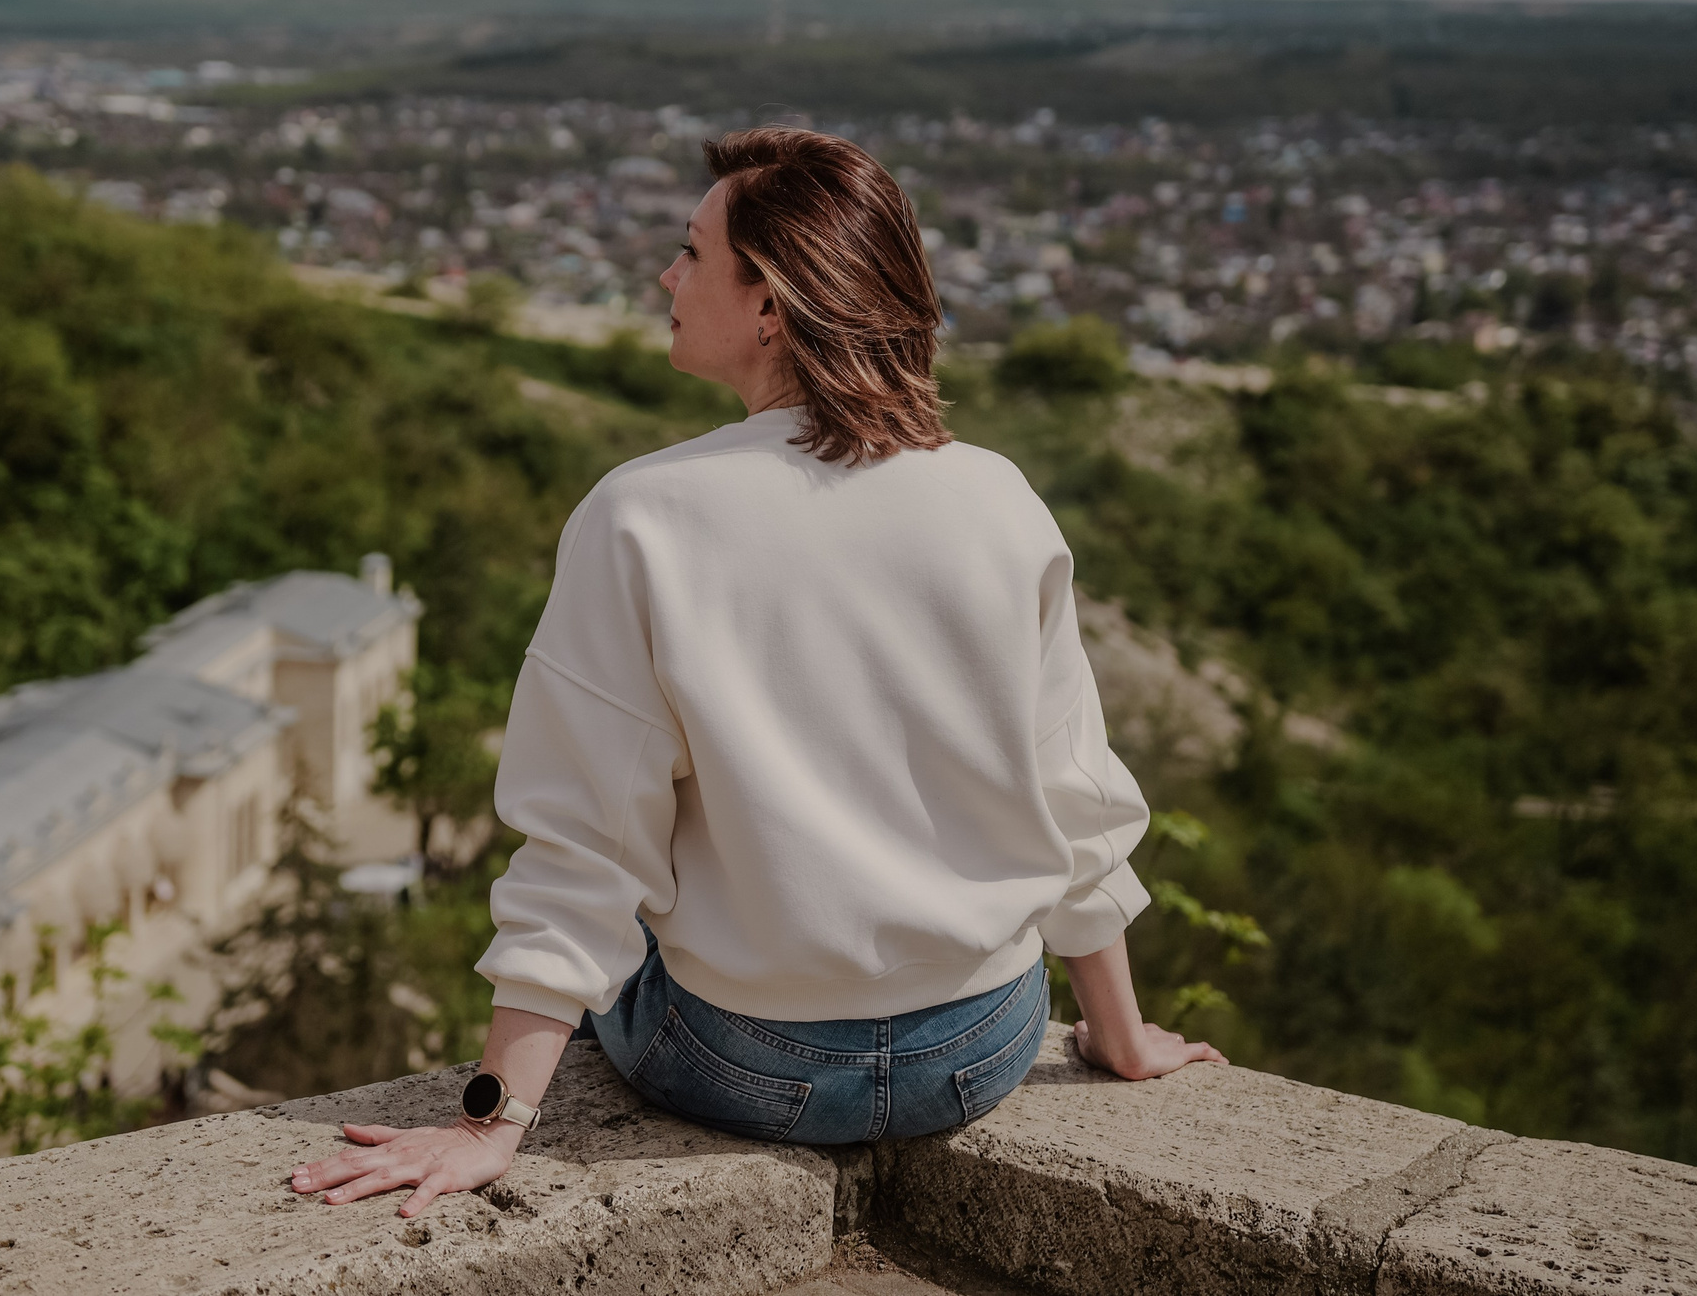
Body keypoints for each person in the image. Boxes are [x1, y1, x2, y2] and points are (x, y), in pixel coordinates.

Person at [292, 127, 1224, 1217]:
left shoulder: (643, 515)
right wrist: (1119, 1037)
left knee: (647, 885)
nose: (666, 276)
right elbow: (1072, 793)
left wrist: (485, 1122)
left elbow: (584, 847)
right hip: (980, 1045)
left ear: (772, 303)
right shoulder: (1000, 498)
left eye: (692, 252)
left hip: (750, 1064)